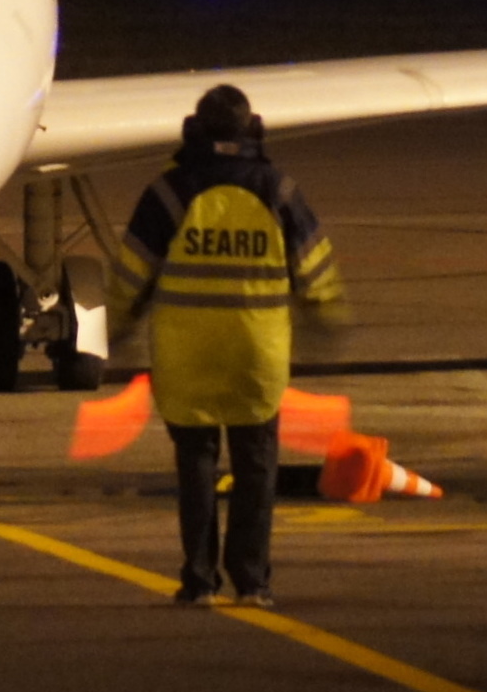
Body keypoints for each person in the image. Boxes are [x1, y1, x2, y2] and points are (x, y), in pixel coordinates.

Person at [112, 83, 348, 608]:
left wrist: (117, 326)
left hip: (186, 354)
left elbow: (131, 273)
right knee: (256, 468)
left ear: (194, 129)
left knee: (195, 465)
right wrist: (326, 315)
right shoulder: (278, 190)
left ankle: (198, 580)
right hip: (254, 354)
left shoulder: (169, 192)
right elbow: (315, 266)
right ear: (252, 129)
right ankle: (252, 581)